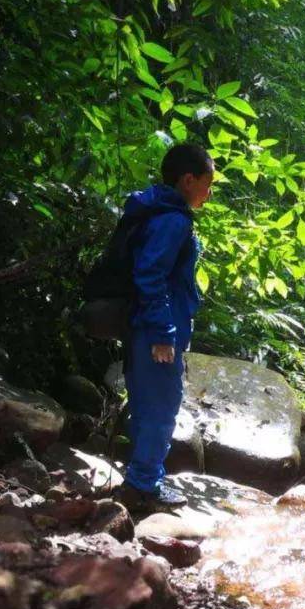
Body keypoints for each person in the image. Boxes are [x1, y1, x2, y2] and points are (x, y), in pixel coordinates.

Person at [116, 143, 214, 509]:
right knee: (161, 405)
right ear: (188, 180)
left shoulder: (157, 211)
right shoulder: (172, 220)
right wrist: (163, 333)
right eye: (208, 182)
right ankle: (144, 486)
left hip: (145, 325)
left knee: (146, 403)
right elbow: (150, 275)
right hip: (156, 328)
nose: (210, 191)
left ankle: (139, 483)